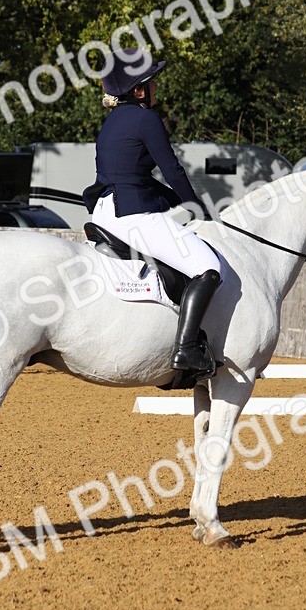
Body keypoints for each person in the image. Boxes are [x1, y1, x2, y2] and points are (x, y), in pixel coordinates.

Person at [82, 54, 221, 380]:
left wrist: (182, 203)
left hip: (105, 211)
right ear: (140, 90)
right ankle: (186, 347)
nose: (156, 86)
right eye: (151, 82)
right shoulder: (147, 119)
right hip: (132, 215)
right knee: (208, 268)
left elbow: (137, 177)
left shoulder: (111, 121)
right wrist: (197, 206)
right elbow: (171, 168)